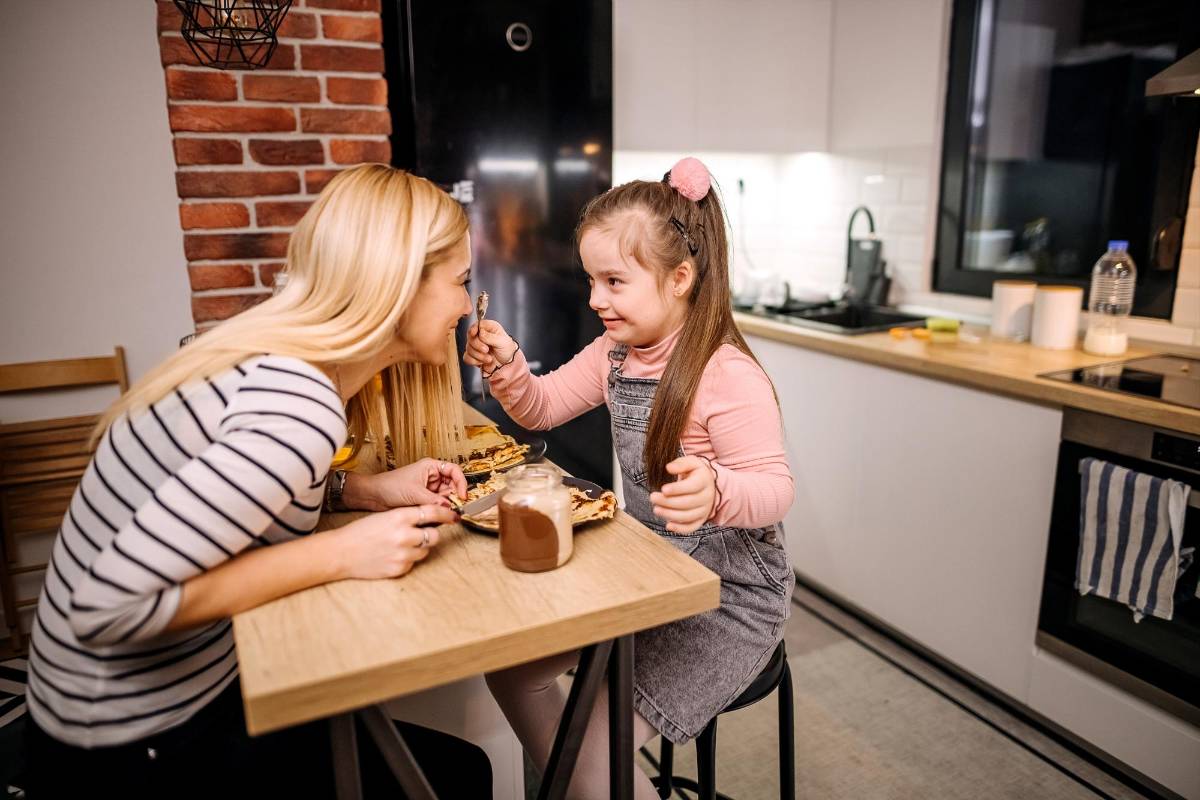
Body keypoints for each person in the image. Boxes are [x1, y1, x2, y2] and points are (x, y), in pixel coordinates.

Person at [22, 164, 492, 798]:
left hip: (142, 703)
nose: (467, 305)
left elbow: (241, 497)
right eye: (460, 283)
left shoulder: (279, 364)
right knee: (458, 779)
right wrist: (340, 551)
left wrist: (361, 492)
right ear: (399, 287)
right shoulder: (299, 409)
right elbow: (108, 607)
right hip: (128, 742)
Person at [466, 156, 795, 797]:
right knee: (511, 671)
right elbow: (541, 407)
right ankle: (586, 782)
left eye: (614, 281)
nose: (595, 299)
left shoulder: (726, 375)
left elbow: (777, 488)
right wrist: (508, 366)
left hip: (727, 600)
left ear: (680, 277)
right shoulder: (616, 355)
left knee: (592, 764)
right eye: (591, 279)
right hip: (651, 570)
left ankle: (589, 780)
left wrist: (719, 490)